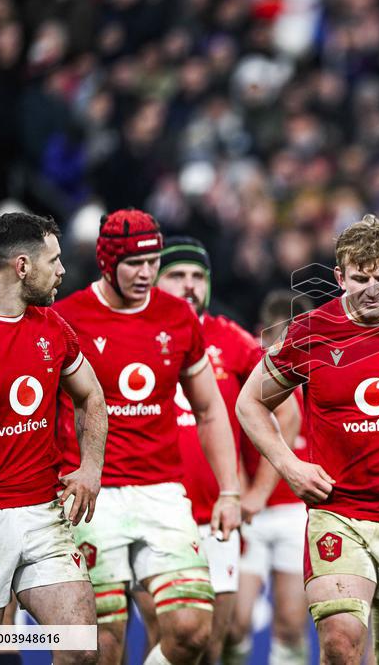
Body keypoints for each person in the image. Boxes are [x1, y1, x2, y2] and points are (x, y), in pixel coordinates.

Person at [236, 215, 379, 665]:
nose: (372, 289)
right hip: (339, 513)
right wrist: (289, 466)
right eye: (360, 278)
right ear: (339, 276)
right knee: (340, 640)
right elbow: (249, 403)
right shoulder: (311, 331)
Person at [53, 209, 242, 665]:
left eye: (153, 261)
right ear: (106, 262)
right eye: (134, 263)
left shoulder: (177, 316)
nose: (146, 273)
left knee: (194, 631)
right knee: (101, 645)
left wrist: (230, 491)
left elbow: (209, 408)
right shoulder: (66, 317)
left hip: (161, 493)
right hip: (92, 496)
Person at [0, 212, 106, 665]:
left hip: (43, 515)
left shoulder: (53, 327)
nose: (64, 270)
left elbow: (91, 395)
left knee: (80, 647)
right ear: (23, 266)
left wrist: (91, 468)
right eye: (55, 260)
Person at [138, 236, 279, 664]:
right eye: (177, 275)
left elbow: (284, 416)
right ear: (155, 282)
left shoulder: (233, 342)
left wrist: (255, 494)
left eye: (198, 276)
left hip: (216, 517)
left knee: (211, 646)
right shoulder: (134, 336)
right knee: (166, 636)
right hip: (153, 514)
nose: (189, 285)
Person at [225, 290, 313, 665]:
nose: (291, 350)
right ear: (262, 335)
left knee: (292, 625)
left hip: (297, 514)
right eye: (282, 339)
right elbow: (223, 433)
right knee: (235, 624)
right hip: (251, 513)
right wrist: (243, 490)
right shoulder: (248, 380)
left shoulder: (326, 379)